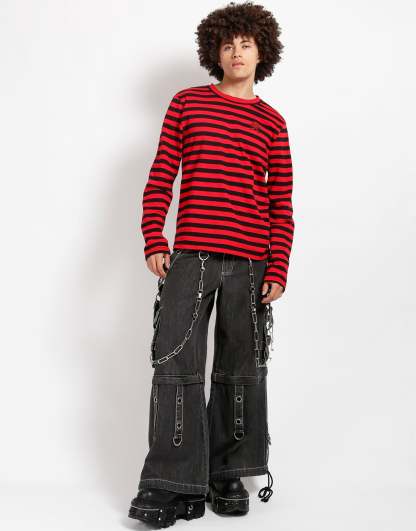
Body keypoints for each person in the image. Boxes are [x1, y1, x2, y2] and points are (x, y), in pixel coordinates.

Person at [128, 1, 295, 527]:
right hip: (190, 256)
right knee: (174, 363)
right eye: (227, 44)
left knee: (240, 368)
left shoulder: (273, 123)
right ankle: (170, 481)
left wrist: (278, 266)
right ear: (214, 52)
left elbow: (281, 204)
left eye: (246, 44)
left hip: (250, 261)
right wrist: (154, 236)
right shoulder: (187, 104)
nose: (236, 52)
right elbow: (162, 175)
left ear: (262, 52)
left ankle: (228, 472)